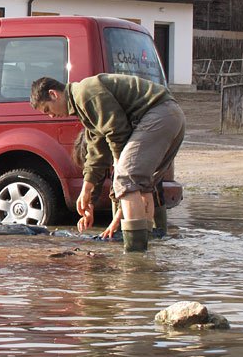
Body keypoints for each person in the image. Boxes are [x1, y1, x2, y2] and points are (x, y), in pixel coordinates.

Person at [30, 74, 185, 251]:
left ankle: (135, 255)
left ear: (53, 94)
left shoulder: (85, 92)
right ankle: (148, 252)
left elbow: (117, 131)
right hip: (171, 116)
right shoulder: (84, 107)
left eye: (47, 109)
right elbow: (97, 153)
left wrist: (120, 168)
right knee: (142, 185)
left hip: (159, 115)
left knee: (126, 180)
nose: (50, 116)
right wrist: (87, 194)